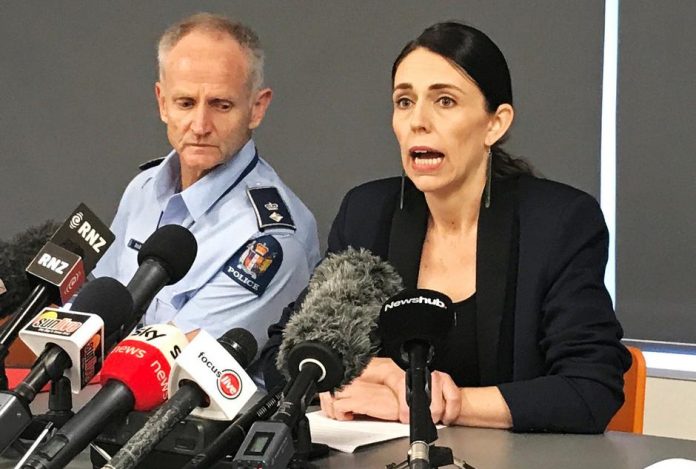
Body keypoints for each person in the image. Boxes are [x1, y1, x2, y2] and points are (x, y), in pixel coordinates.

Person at [261, 22, 631, 433]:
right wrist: (368, 375)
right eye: (404, 101)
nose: (418, 121)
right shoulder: (369, 213)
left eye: (445, 101)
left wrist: (431, 400)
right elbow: (284, 357)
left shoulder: (558, 222)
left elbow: (589, 389)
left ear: (496, 123)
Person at [92, 13, 320, 355]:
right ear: (162, 103)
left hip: (194, 406)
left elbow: (174, 364)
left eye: (220, 105)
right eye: (186, 102)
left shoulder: (272, 239)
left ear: (257, 109)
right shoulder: (142, 190)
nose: (200, 125)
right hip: (107, 397)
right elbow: (95, 310)